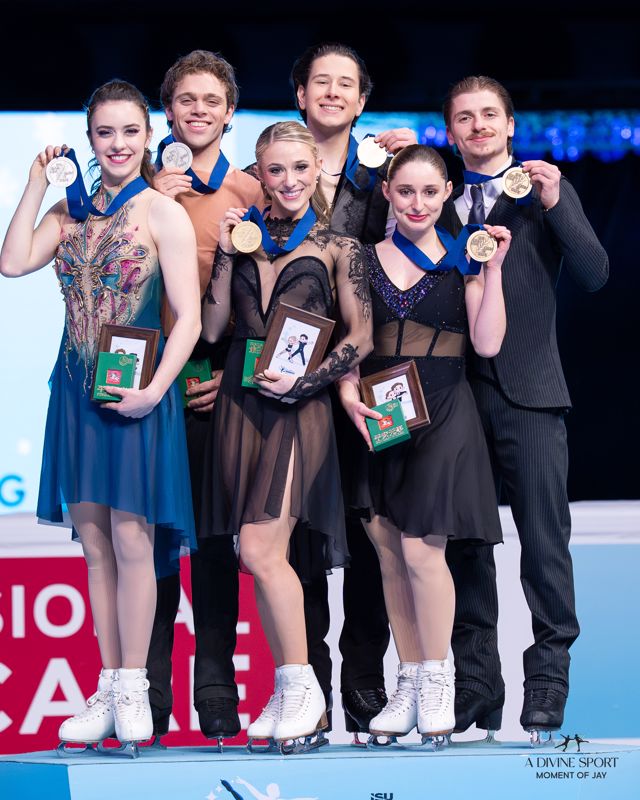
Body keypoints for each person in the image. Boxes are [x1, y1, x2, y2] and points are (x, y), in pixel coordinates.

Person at [0, 80, 201, 747]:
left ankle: (134, 687)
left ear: (148, 137)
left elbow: (188, 319)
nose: (118, 144)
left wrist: (156, 391)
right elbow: (12, 262)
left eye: (130, 132)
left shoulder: (161, 213)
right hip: (75, 394)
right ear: (89, 139)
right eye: (105, 133)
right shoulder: (70, 212)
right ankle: (108, 686)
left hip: (139, 394)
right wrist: (37, 182)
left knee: (132, 541)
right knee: (94, 547)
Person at [440, 76, 609, 738]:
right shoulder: (436, 199)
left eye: (490, 114)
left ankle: (548, 678)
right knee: (466, 544)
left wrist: (557, 199)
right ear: (450, 131)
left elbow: (594, 273)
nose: (479, 125)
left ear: (510, 125)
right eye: (465, 117)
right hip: (455, 394)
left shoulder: (541, 193)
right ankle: (477, 682)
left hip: (533, 391)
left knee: (543, 543)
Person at [201, 120, 373, 746]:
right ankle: (289, 686)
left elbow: (361, 336)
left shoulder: (339, 246)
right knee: (259, 557)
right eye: (276, 169)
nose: (290, 180)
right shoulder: (244, 237)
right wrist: (225, 255)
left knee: (259, 550)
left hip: (301, 409)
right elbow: (214, 329)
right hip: (241, 403)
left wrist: (308, 383)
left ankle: (303, 687)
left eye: (301, 168)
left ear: (317, 170)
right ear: (261, 173)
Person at [338, 144, 510, 739]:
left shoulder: (465, 257)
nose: (417, 203)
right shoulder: (361, 259)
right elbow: (351, 342)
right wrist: (347, 393)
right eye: (406, 191)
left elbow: (487, 343)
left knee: (420, 551)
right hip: (381, 413)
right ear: (387, 192)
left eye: (430, 192)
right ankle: (410, 679)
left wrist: (493, 271)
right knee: (389, 553)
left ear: (447, 195)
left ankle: (438, 678)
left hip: (444, 411)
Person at [288, 41, 417, 739]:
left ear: (363, 101)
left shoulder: (390, 176)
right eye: (321, 82)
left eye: (347, 84)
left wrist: (409, 161)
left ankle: (366, 686)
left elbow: (431, 251)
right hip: (293, 382)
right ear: (300, 95)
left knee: (377, 529)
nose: (333, 93)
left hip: (375, 379)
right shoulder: (270, 172)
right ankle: (306, 690)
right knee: (301, 536)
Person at [145, 49, 264, 744]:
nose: (198, 110)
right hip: (143, 378)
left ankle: (216, 690)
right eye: (185, 99)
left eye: (211, 100)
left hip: (214, 381)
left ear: (229, 112)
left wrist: (239, 372)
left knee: (215, 544)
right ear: (168, 112)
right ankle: (149, 692)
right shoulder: (139, 188)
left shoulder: (251, 192)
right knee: (152, 542)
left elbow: (278, 299)